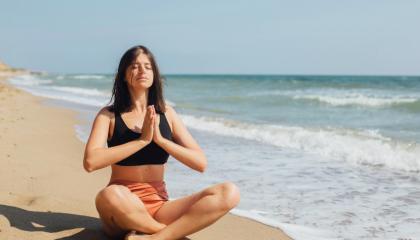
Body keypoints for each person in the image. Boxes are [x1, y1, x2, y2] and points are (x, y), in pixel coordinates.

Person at [83, 45, 240, 240]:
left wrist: (160, 140)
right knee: (109, 195)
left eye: (148, 67)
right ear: (124, 75)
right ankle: (168, 235)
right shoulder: (109, 115)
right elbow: (90, 162)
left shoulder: (168, 114)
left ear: (154, 75)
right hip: (123, 205)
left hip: (160, 206)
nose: (142, 71)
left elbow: (200, 163)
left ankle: (153, 238)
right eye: (135, 66)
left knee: (229, 192)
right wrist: (142, 141)